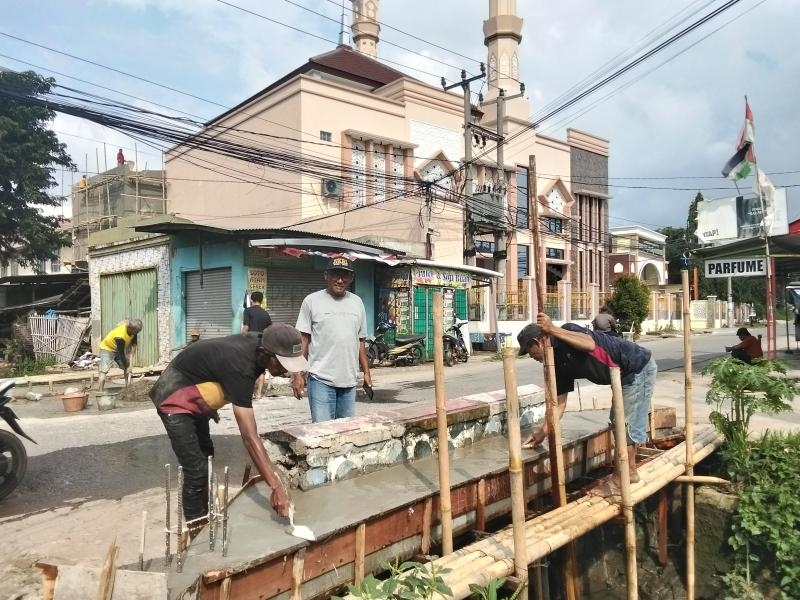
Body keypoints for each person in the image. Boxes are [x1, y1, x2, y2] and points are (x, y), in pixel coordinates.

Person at [149, 323, 307, 526]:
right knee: (196, 469)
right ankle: (196, 529)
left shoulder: (263, 342)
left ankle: (204, 512)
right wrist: (276, 487)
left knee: (206, 454)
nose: (286, 371)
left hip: (195, 390)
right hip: (173, 397)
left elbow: (214, 367)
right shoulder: (241, 366)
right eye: (284, 365)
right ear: (265, 354)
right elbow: (249, 437)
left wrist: (208, 403)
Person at [517, 313, 657, 484]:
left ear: (537, 342)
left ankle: (622, 477)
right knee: (618, 421)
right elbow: (558, 405)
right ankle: (629, 473)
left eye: (529, 351)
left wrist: (552, 329)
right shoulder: (557, 364)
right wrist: (542, 433)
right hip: (621, 376)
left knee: (625, 424)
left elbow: (589, 344)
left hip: (636, 367)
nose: (531, 356)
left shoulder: (568, 332)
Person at [292, 257, 373, 422]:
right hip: (320, 379)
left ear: (351, 278)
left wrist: (366, 373)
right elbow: (303, 340)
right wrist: (297, 374)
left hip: (349, 381)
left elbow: (360, 341)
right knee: (322, 431)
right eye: (335, 274)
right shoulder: (311, 301)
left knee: (345, 432)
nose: (340, 280)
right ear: (326, 276)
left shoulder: (357, 303)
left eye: (345, 275)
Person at [242, 291, 273, 399]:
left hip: (250, 343)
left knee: (249, 368)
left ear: (251, 300)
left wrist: (241, 339)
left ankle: (249, 392)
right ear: (261, 300)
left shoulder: (247, 311)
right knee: (261, 369)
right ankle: (259, 393)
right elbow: (270, 330)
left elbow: (246, 327)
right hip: (263, 344)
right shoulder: (266, 314)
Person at [98, 318, 142, 391]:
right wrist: (126, 365)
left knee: (126, 366)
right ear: (130, 329)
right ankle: (100, 391)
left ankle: (128, 388)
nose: (137, 333)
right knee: (104, 370)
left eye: (138, 331)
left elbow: (133, 344)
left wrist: (128, 365)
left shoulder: (133, 331)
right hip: (107, 348)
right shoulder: (120, 336)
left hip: (117, 348)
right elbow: (121, 353)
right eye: (136, 331)